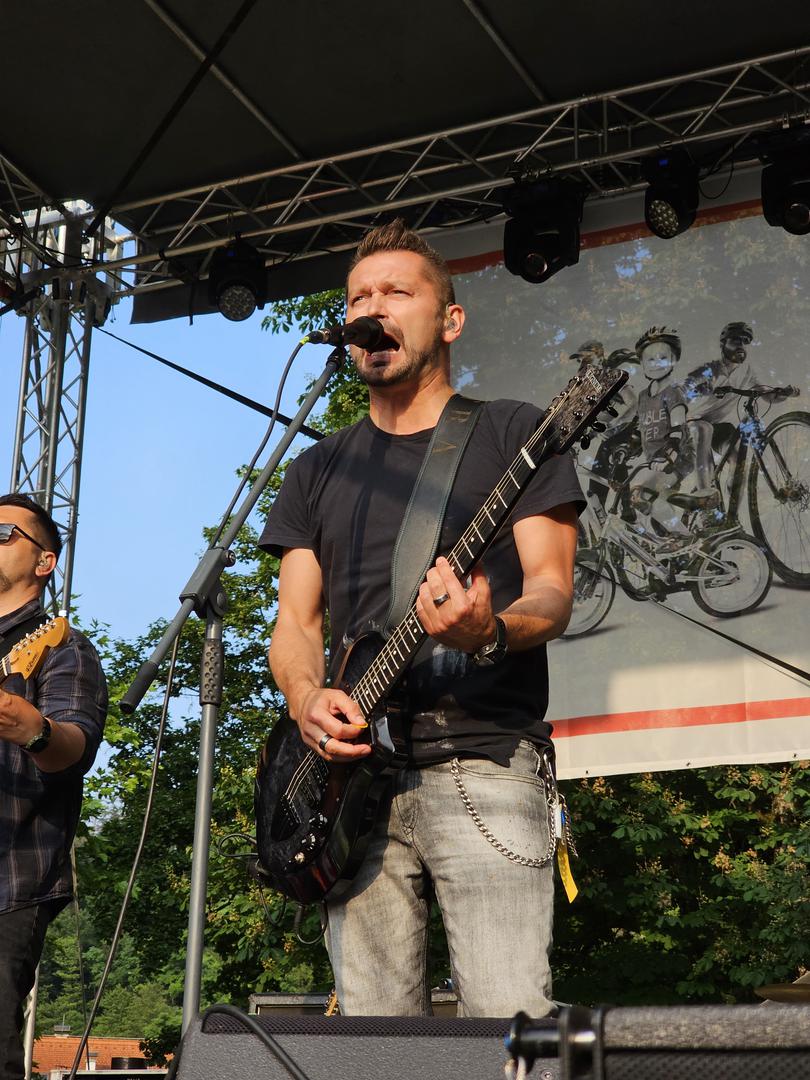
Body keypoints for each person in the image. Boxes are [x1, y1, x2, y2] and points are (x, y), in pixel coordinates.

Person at [259, 219, 584, 1018]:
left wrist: (486, 631)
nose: (373, 309)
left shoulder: (513, 433)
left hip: (482, 760)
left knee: (510, 1024)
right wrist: (306, 698)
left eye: (398, 292)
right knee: (373, 1045)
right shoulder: (315, 468)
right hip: (350, 785)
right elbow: (295, 623)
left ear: (449, 319)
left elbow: (551, 591)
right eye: (359, 298)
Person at [0, 494, 107, 1080]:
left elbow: (73, 750)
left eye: (3, 533)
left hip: (8, 881)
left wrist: (34, 729)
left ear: (44, 562)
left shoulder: (60, 647)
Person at [628, 326, 694, 548]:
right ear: (642, 363)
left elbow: (678, 427)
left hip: (677, 458)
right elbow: (640, 428)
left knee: (647, 497)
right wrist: (627, 450)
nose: (656, 363)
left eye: (663, 358)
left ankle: (683, 535)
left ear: (673, 360)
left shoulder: (673, 391)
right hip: (654, 459)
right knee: (646, 500)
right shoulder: (643, 396)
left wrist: (670, 453)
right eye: (650, 359)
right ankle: (663, 535)